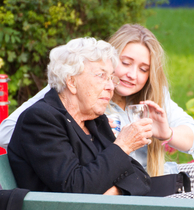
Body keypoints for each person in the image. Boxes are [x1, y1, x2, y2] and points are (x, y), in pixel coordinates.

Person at [1, 24, 194, 202]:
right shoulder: (55, 108)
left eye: (143, 69)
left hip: (155, 184)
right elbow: (76, 184)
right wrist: (121, 144)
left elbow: (139, 174)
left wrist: (166, 134)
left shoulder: (98, 113)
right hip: (147, 194)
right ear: (71, 81)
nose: (116, 80)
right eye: (117, 67)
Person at [7, 37, 153, 195]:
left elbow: (142, 178)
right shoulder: (40, 119)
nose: (111, 87)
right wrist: (123, 146)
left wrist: (114, 193)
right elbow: (75, 188)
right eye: (101, 76)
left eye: (111, 78)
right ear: (71, 82)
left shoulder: (94, 121)